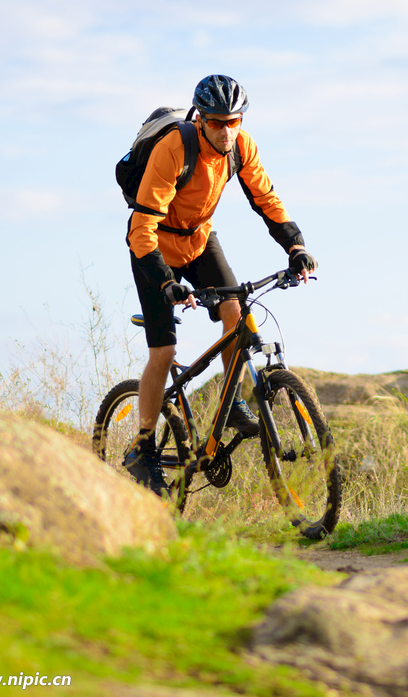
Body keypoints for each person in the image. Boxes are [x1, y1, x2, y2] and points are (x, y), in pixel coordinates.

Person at [123, 73, 317, 496]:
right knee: (164, 350)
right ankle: (141, 446)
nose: (226, 130)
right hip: (153, 246)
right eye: (216, 122)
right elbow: (142, 226)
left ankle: (231, 406)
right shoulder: (173, 148)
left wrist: (295, 247)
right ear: (201, 119)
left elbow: (266, 199)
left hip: (198, 238)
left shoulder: (241, 146)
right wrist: (165, 283)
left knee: (236, 312)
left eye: (234, 121)